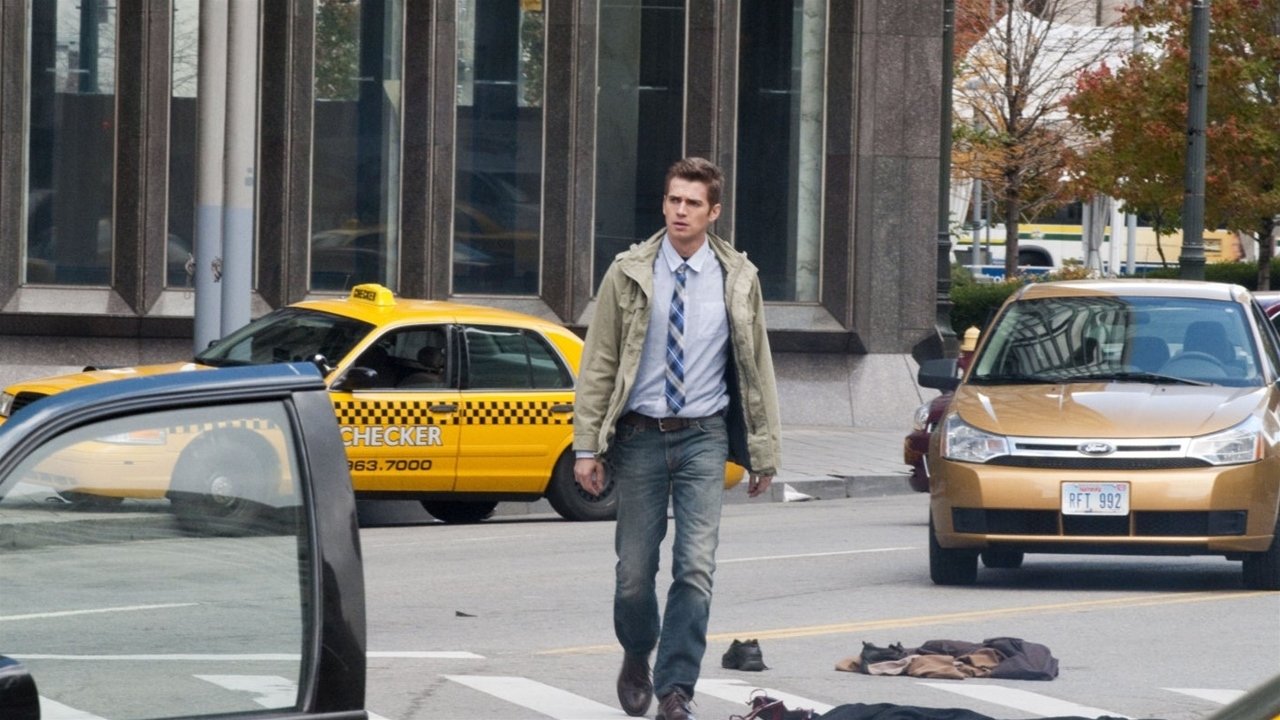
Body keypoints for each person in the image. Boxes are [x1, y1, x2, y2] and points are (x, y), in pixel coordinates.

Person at [573, 157, 782, 720]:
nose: (680, 211)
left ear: (713, 212)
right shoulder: (628, 272)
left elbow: (756, 366)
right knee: (633, 575)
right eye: (673, 200)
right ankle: (637, 651)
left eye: (692, 203)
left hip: (703, 436)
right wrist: (587, 446)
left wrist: (763, 451)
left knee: (694, 567)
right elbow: (599, 361)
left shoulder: (739, 278)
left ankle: (675, 690)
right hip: (639, 436)